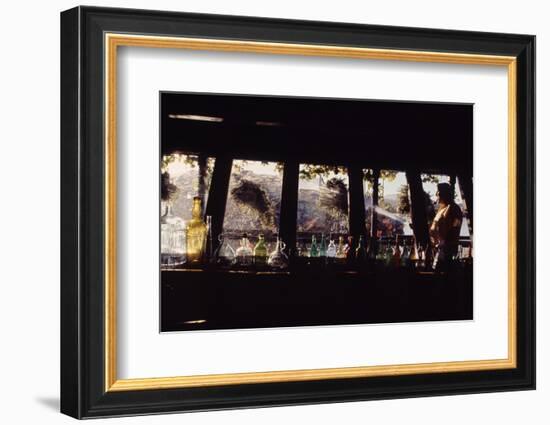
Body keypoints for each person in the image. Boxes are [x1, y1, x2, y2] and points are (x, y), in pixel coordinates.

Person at [429, 182, 463, 272]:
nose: (437, 195)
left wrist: (445, 244)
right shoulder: (442, 209)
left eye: (439, 193)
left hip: (447, 252)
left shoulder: (454, 209)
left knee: (443, 278)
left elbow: (456, 226)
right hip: (439, 250)